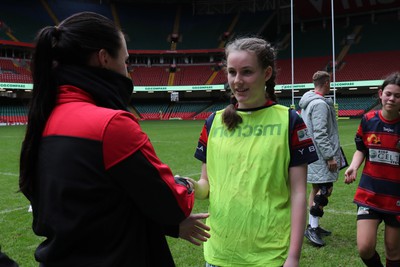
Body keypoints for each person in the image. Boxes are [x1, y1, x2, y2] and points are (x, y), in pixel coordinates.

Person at [19, 12, 209, 267]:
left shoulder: (43, 120)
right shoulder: (111, 124)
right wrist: (184, 184)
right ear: (104, 58)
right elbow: (171, 205)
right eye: (127, 60)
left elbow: (98, 206)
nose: (127, 70)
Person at [189, 36, 318, 267]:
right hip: (219, 254)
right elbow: (206, 186)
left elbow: (299, 194)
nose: (237, 81)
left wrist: (293, 256)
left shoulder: (289, 121)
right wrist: (190, 186)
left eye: (247, 72)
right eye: (231, 72)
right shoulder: (213, 122)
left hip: (269, 255)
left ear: (266, 73)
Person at [344, 72, 400, 267]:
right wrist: (353, 166)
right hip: (369, 193)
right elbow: (361, 149)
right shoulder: (368, 120)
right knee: (365, 247)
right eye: (389, 93)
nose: (392, 98)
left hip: (396, 198)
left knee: (393, 250)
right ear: (380, 94)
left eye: (397, 95)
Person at [299, 70, 342, 247]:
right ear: (326, 83)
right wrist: (329, 156)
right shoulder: (320, 104)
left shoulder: (308, 102)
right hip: (320, 155)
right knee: (325, 190)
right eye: (329, 82)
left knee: (316, 187)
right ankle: (312, 228)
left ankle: (313, 225)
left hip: (312, 153)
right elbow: (320, 133)